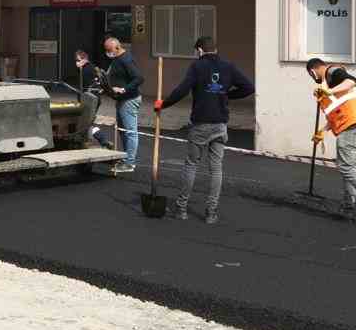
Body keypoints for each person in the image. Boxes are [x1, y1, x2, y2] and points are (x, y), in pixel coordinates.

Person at [156, 37, 254, 224]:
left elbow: (182, 89)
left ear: (200, 50)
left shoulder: (197, 67)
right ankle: (211, 212)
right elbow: (248, 87)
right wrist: (226, 94)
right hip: (220, 124)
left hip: (201, 123)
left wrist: (164, 104)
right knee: (216, 169)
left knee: (192, 164)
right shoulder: (228, 66)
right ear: (215, 49)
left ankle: (182, 208)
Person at [306, 58, 356, 227]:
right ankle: (348, 205)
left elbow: (351, 81)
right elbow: (336, 112)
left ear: (313, 71)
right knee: (346, 166)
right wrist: (323, 131)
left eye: (311, 75)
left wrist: (329, 92)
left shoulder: (332, 72)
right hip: (351, 126)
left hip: (352, 127)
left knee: (345, 167)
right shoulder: (330, 84)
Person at [77, 38, 143, 172]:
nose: (107, 53)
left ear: (117, 48)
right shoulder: (117, 59)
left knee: (130, 132)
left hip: (129, 100)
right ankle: (126, 158)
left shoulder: (126, 59)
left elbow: (139, 78)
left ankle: (129, 162)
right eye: (106, 50)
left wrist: (124, 89)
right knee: (123, 131)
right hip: (122, 100)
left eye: (109, 50)